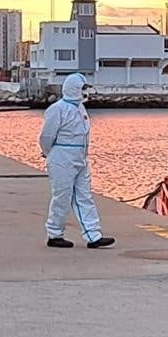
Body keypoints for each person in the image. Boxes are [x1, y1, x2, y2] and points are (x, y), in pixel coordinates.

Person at [39, 73, 115, 249]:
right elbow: (46, 136)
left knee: (84, 196)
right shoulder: (57, 109)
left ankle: (93, 235)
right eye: (82, 88)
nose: (85, 91)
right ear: (74, 88)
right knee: (62, 197)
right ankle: (54, 233)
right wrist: (50, 154)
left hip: (80, 157)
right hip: (62, 157)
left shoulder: (80, 108)